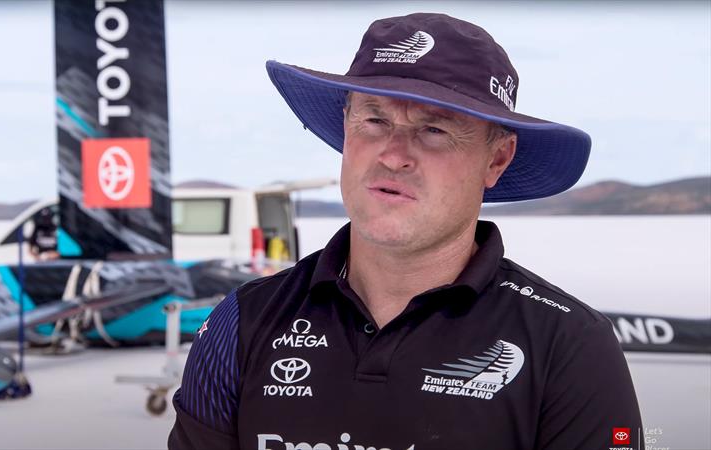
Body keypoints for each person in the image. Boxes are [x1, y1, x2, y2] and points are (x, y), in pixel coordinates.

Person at [169, 12, 642, 450]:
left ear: (496, 159)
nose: (394, 155)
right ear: (346, 130)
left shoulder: (570, 345)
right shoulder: (241, 324)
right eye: (374, 120)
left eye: (435, 129)